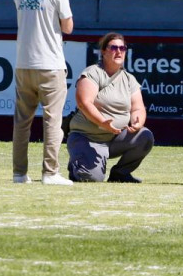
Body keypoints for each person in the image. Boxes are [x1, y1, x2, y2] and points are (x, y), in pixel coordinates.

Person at [13, 0, 74, 185]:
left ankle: (19, 173)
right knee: (52, 121)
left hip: (23, 63)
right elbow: (68, 27)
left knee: (21, 123)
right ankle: (50, 172)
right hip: (50, 64)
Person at [66, 32, 153, 183]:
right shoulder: (92, 72)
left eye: (123, 48)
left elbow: (138, 107)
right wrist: (102, 122)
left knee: (145, 136)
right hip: (88, 138)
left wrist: (137, 122)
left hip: (115, 139)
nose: (119, 51)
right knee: (91, 179)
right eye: (113, 48)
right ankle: (78, 163)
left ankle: (120, 174)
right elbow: (84, 102)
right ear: (104, 51)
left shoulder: (129, 79)